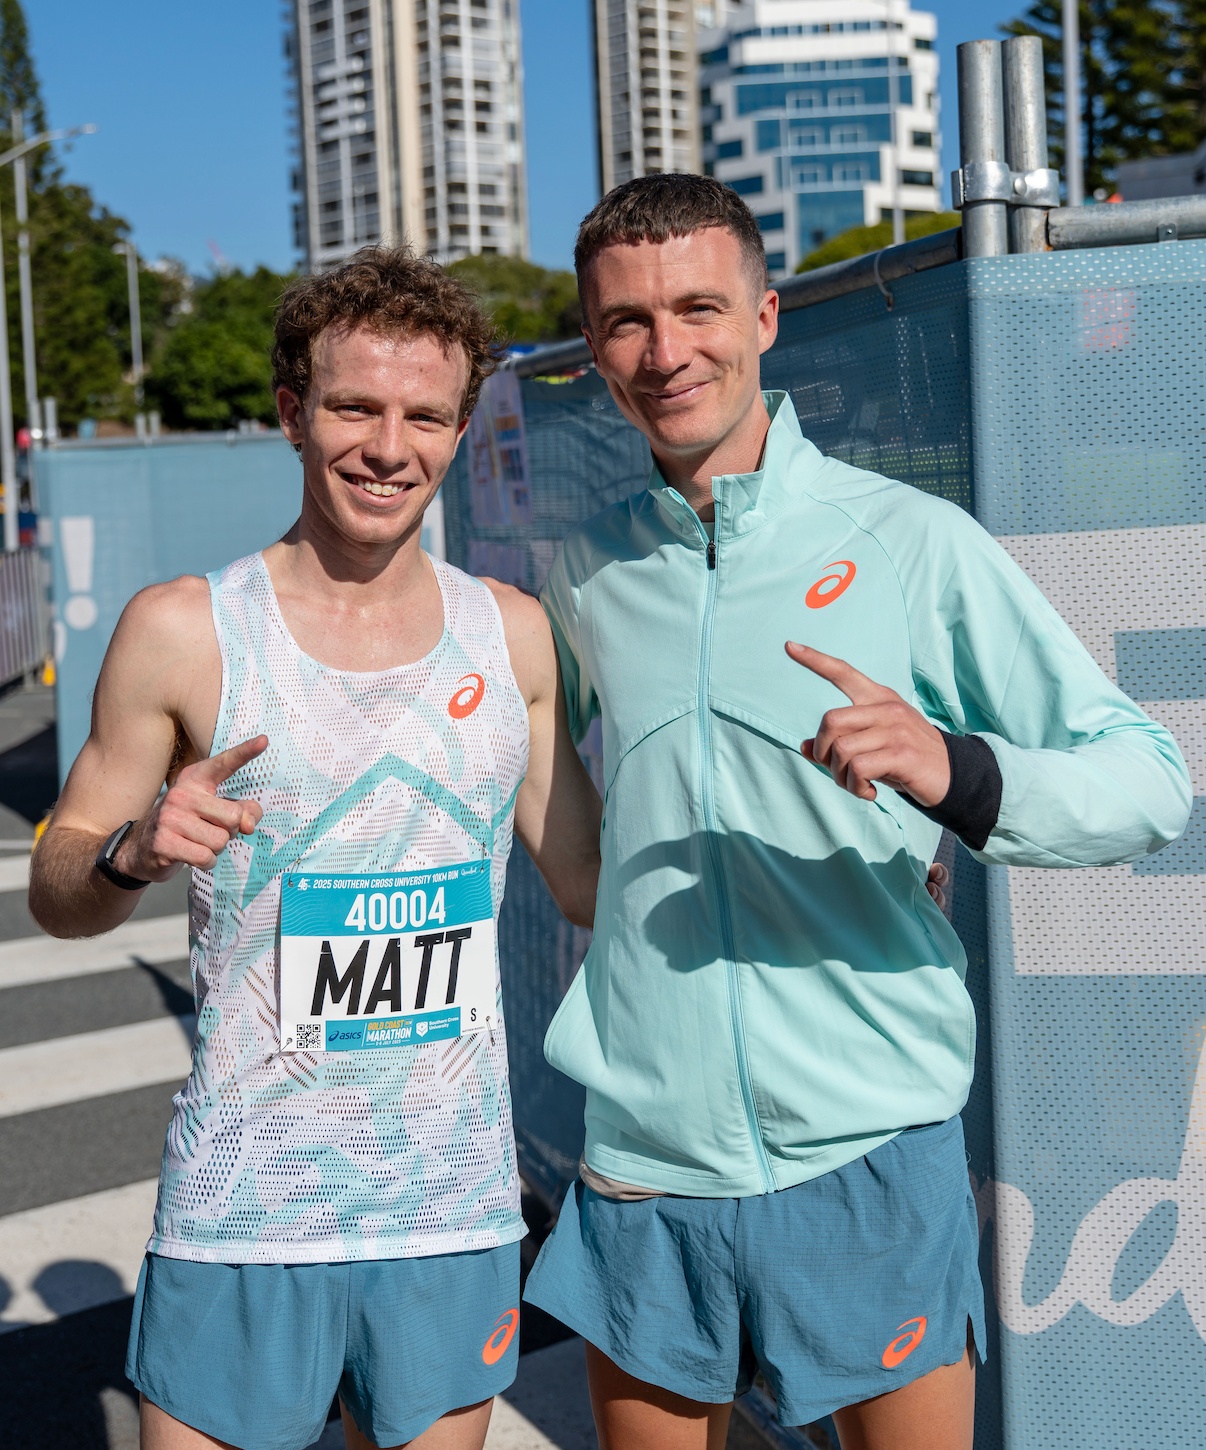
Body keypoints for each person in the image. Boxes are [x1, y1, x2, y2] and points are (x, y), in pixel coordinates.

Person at [522, 175, 1192, 1450]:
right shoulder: (586, 568)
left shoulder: (907, 541)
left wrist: (957, 769)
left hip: (866, 1144)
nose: (666, 353)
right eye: (625, 324)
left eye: (699, 309)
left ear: (767, 318)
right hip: (647, 1155)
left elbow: (1150, 775)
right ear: (593, 349)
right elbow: (523, 760)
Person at [28, 248, 602, 1450]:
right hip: (244, 1210)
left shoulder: (513, 639)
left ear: (457, 429)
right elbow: (58, 886)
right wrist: (133, 852)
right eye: (354, 407)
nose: (388, 446)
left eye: (423, 415)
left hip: (447, 1211)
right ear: (293, 412)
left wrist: (843, 844)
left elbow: (595, 880)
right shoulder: (185, 630)